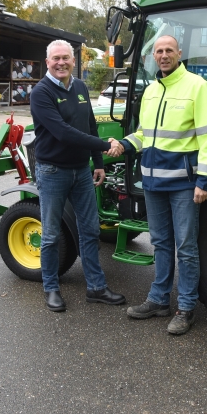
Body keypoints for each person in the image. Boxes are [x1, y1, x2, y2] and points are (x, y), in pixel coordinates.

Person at [107, 35, 207, 334]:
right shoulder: (152, 91)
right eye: (159, 51)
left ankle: (186, 307)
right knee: (161, 243)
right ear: (153, 56)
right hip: (153, 183)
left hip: (183, 184)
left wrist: (203, 180)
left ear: (179, 53)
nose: (164, 55)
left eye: (169, 50)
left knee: (186, 247)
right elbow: (145, 134)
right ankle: (158, 300)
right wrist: (125, 144)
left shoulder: (197, 87)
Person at [29, 39, 126, 312]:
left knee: (91, 230)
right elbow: (63, 133)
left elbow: (90, 125)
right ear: (47, 62)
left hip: (82, 172)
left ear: (74, 60)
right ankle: (51, 288)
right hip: (52, 172)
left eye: (66, 58)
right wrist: (107, 146)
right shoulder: (41, 92)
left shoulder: (81, 86)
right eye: (56, 58)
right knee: (50, 236)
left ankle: (96, 287)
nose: (61, 63)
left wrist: (98, 162)